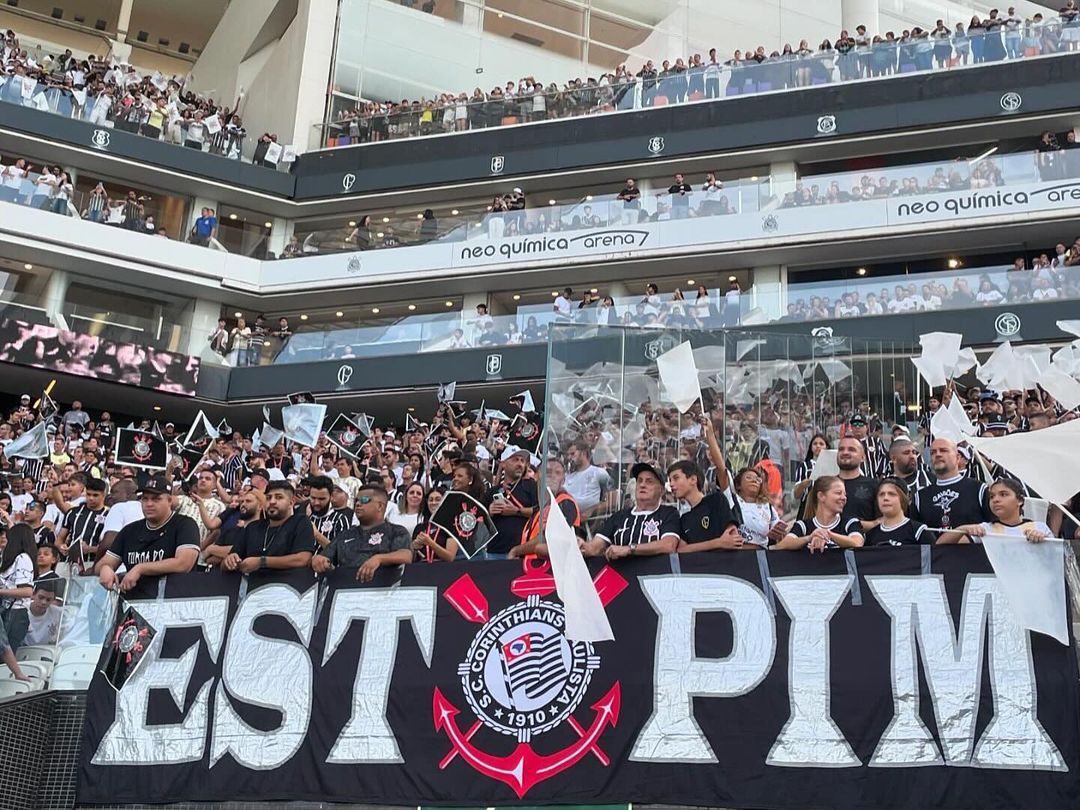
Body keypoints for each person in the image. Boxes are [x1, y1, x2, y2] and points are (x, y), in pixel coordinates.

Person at [95, 477, 200, 592]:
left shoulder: (185, 525)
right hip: (133, 602)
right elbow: (104, 564)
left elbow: (183, 564)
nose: (149, 504)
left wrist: (141, 568)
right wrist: (105, 568)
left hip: (173, 601)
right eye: (145, 499)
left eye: (156, 499)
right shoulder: (130, 530)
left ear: (170, 501)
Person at [312, 486, 412, 582]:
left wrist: (379, 559)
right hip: (346, 590)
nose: (358, 504)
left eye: (364, 500)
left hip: (383, 592)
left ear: (380, 506)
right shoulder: (345, 534)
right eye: (356, 500)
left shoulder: (396, 531)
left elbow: (406, 555)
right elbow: (326, 556)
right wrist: (319, 560)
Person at [582, 463, 681, 559]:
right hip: (620, 574)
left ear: (662, 490)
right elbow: (594, 548)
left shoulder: (669, 513)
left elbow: (668, 545)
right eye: (639, 480)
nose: (642, 485)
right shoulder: (619, 516)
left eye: (649, 481)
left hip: (652, 574)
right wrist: (582, 546)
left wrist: (630, 549)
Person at [222, 481, 314, 572]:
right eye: (268, 498)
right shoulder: (252, 528)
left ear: (291, 502)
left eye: (279, 497)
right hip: (251, 584)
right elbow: (224, 565)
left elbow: (303, 559)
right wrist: (229, 561)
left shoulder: (300, 522)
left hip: (287, 584)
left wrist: (262, 562)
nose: (272, 502)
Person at [938, 479, 1051, 544]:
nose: (996, 500)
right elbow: (940, 546)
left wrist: (1043, 541)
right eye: (991, 496)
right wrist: (962, 529)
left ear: (1020, 500)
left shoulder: (1040, 528)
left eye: (1003, 494)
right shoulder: (984, 530)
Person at [913, 438, 992, 530]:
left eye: (943, 450)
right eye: (933, 452)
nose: (937, 454)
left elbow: (995, 527)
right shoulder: (920, 497)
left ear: (957, 457)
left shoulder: (979, 489)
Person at [511, 456, 582, 559]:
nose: (552, 476)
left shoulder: (566, 502)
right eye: (548, 472)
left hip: (550, 568)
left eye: (557, 473)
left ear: (563, 480)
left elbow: (547, 538)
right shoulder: (541, 507)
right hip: (531, 567)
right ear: (537, 476)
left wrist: (516, 551)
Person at [667, 460, 741, 552]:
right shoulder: (684, 518)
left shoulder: (716, 500)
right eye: (670, 480)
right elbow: (681, 550)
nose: (671, 484)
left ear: (693, 479)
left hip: (725, 564)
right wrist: (717, 543)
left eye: (676, 478)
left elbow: (733, 538)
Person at [776, 476, 864, 552]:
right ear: (821, 496)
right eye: (838, 493)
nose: (844, 498)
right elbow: (781, 545)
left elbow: (857, 543)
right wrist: (809, 538)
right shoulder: (803, 525)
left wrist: (827, 534)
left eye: (845, 494)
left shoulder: (850, 523)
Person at [485, 446, 537, 560]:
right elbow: (480, 520)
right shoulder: (492, 491)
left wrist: (517, 511)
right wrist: (489, 512)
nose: (520, 464)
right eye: (515, 460)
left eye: (522, 461)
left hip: (522, 551)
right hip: (495, 551)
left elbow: (540, 512)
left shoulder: (531, 485)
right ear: (503, 464)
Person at [56, 477, 109, 574]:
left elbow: (111, 546)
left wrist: (90, 549)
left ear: (104, 495)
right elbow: (59, 539)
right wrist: (61, 547)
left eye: (95, 495)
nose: (91, 498)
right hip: (70, 563)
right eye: (88, 494)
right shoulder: (73, 512)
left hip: (94, 563)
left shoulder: (109, 515)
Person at [864, 479, 928, 546]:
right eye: (881, 494)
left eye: (892, 494)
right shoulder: (870, 536)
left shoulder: (919, 532)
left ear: (903, 499)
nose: (885, 498)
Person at [835, 436, 878, 526]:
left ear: (863, 458)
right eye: (841, 449)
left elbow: (883, 520)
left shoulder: (875, 486)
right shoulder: (825, 485)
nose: (845, 452)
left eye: (851, 449)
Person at [564, 440, 611, 516]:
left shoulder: (599, 473)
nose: (569, 457)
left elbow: (614, 499)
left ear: (583, 453)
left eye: (573, 454)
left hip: (589, 521)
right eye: (568, 455)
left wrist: (592, 510)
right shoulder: (567, 476)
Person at [412, 489, 460, 562]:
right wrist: (414, 547)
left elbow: (450, 557)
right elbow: (411, 559)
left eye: (438, 500)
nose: (433, 503)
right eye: (430, 500)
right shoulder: (420, 527)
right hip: (421, 569)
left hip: (443, 569)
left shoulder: (453, 526)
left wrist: (430, 543)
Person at [305, 475, 353, 547]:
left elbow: (341, 553)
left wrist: (317, 535)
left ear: (331, 497)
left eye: (321, 499)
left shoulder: (339, 520)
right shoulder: (306, 519)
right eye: (313, 498)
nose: (316, 503)